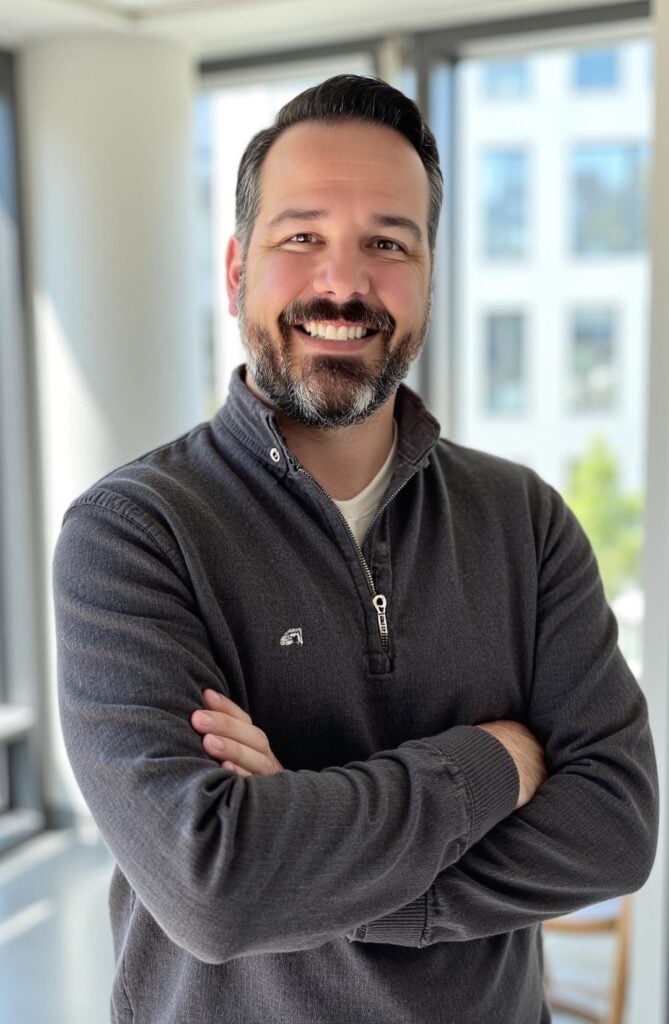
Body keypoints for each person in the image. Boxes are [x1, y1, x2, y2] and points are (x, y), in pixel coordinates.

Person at [54, 75, 658, 1024]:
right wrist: (494, 763)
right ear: (234, 271)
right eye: (300, 238)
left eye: (386, 242)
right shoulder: (133, 532)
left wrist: (308, 856)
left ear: (426, 276)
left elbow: (615, 831)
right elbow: (216, 889)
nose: (342, 283)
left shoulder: (522, 519)